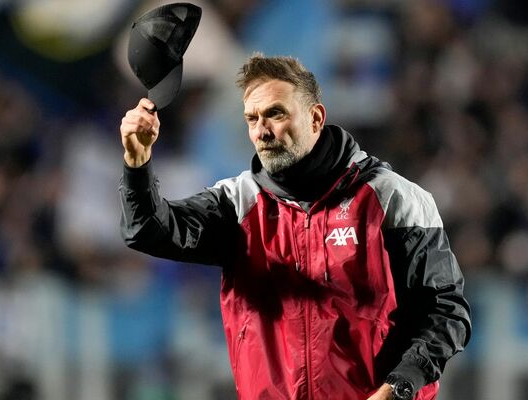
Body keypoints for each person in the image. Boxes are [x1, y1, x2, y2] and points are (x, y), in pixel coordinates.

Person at [118, 54, 471, 400]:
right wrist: (137, 164)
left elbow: (445, 310)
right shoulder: (236, 205)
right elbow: (147, 229)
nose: (262, 131)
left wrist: (398, 389)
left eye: (275, 114)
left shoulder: (394, 198)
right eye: (252, 118)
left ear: (316, 118)